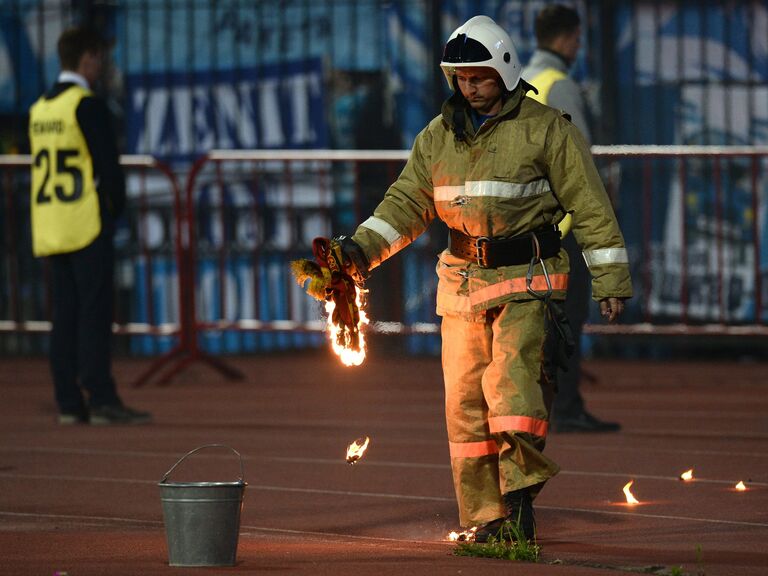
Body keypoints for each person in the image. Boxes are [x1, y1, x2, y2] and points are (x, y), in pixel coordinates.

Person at [307, 16, 632, 542]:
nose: (469, 87)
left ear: (504, 70)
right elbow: (405, 205)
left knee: (512, 392)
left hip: (529, 282)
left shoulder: (548, 128)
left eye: (478, 77)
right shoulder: (437, 137)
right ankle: (486, 518)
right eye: (460, 78)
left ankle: (520, 503)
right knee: (464, 409)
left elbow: (590, 206)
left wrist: (610, 279)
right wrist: (357, 253)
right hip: (461, 288)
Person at [29, 26, 151, 425]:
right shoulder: (87, 105)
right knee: (95, 314)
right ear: (87, 58)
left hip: (51, 225)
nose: (102, 65)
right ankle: (101, 397)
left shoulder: (41, 109)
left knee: (64, 316)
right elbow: (109, 171)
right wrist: (112, 212)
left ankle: (68, 401)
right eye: (99, 56)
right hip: (84, 223)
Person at [523, 4, 621, 433]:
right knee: (567, 319)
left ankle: (540, 407)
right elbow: (579, 162)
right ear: (566, 39)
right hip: (563, 227)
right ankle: (566, 408)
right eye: (578, 40)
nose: (579, 47)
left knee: (540, 323)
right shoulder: (559, 86)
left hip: (532, 224)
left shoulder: (524, 83)